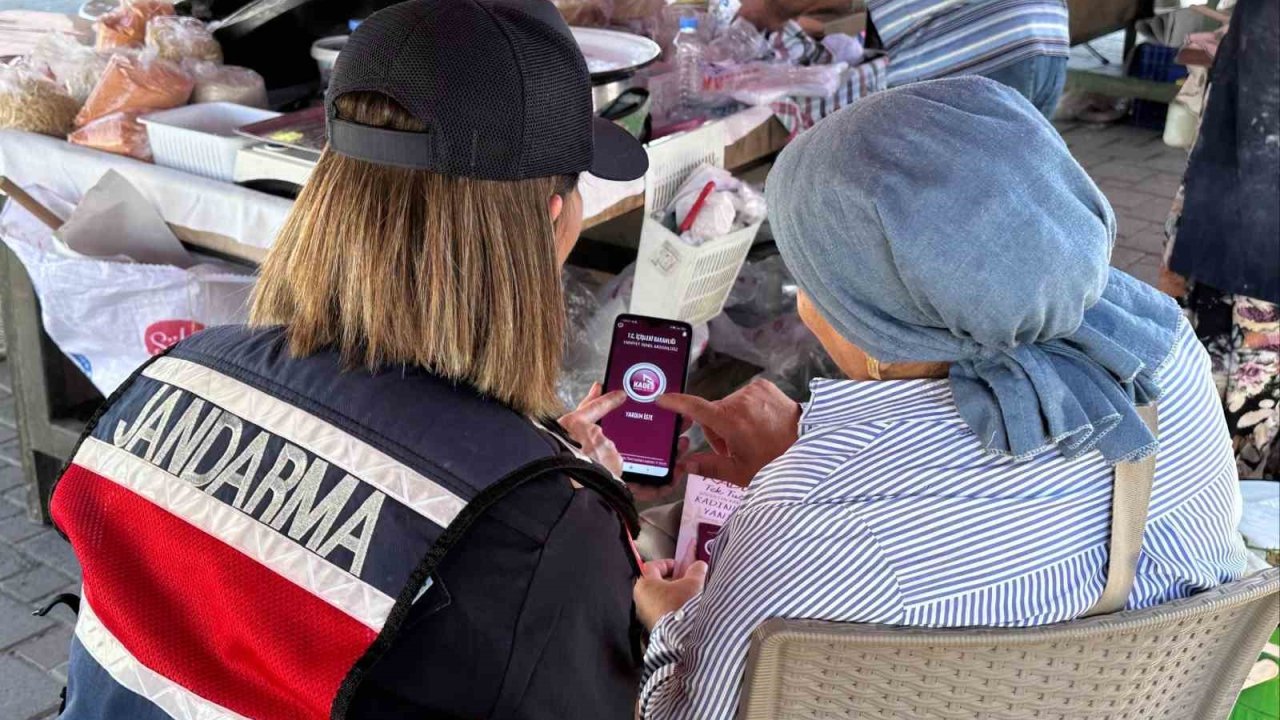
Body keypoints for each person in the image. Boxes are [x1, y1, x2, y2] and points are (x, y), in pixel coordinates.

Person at [48, 1, 651, 718]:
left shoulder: (171, 377)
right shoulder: (545, 535)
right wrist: (660, 622)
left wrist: (534, 463)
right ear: (550, 218)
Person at [632, 77, 1251, 719]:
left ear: (879, 326)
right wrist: (815, 460)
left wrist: (676, 621)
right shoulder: (1161, 347)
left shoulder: (808, 520)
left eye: (811, 281)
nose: (808, 307)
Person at [738, 0, 1071, 117]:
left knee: (956, 202)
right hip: (1046, 33)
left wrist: (768, 11)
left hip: (983, 48)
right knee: (1014, 183)